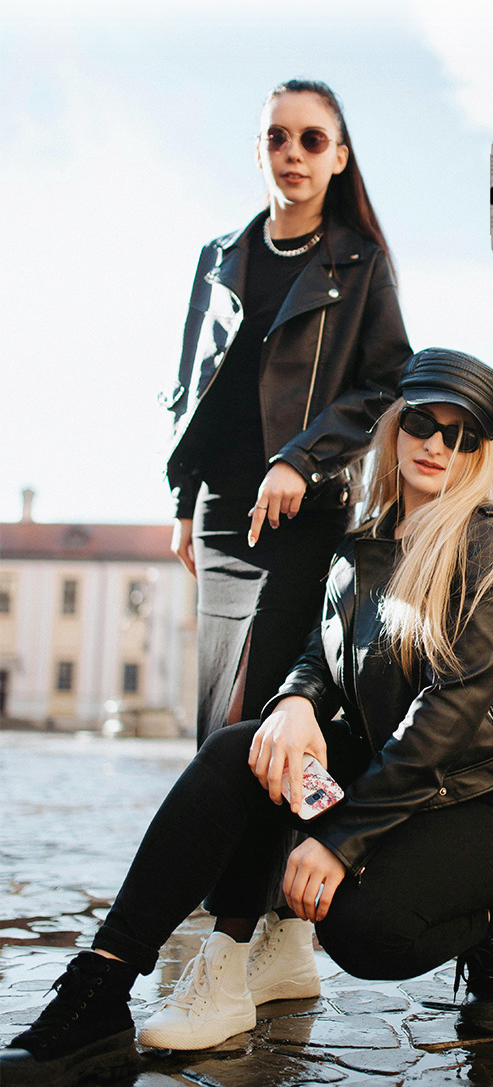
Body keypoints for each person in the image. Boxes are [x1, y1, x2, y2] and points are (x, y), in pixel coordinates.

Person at [1, 349, 493, 1087]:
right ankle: (98, 990)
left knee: (361, 929)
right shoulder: (365, 542)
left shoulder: (488, 536)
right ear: (397, 425)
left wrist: (341, 838)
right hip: (402, 773)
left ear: (480, 450)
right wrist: (295, 703)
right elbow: (319, 652)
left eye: (461, 434)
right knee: (241, 751)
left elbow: (454, 705)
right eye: (423, 423)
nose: (437, 444)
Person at [165, 78, 411, 1007]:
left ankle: (233, 944)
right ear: (262, 147)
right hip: (224, 514)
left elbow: (386, 382)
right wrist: (182, 496)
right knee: (216, 720)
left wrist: (301, 459)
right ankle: (275, 938)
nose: (293, 153)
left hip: (305, 517)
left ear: (339, 157)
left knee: (264, 717)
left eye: (312, 139)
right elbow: (194, 387)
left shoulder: (360, 263)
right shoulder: (220, 257)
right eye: (278, 136)